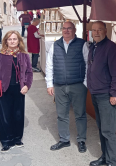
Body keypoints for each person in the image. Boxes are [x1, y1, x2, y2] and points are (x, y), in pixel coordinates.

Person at [45, 21, 89, 153]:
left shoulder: (82, 44)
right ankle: (64, 140)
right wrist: (49, 84)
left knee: (80, 114)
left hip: (78, 85)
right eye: (64, 28)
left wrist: (85, 83)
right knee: (61, 114)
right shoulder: (55, 45)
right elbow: (49, 65)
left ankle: (81, 140)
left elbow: (88, 64)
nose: (66, 31)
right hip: (59, 86)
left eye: (69, 28)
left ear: (74, 30)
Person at [0, 30, 33, 152]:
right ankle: (6, 140)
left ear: (19, 41)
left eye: (14, 39)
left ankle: (17, 138)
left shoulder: (24, 55)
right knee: (4, 116)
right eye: (10, 39)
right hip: (3, 89)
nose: (12, 41)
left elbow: (29, 72)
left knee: (18, 115)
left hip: (19, 89)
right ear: (6, 41)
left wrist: (27, 85)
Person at [87, 21, 116, 166]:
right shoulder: (93, 47)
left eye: (99, 30)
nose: (96, 33)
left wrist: (114, 93)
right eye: (94, 30)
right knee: (101, 128)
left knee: (108, 131)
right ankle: (104, 157)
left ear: (105, 31)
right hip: (95, 93)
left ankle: (111, 162)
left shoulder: (111, 48)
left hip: (105, 95)